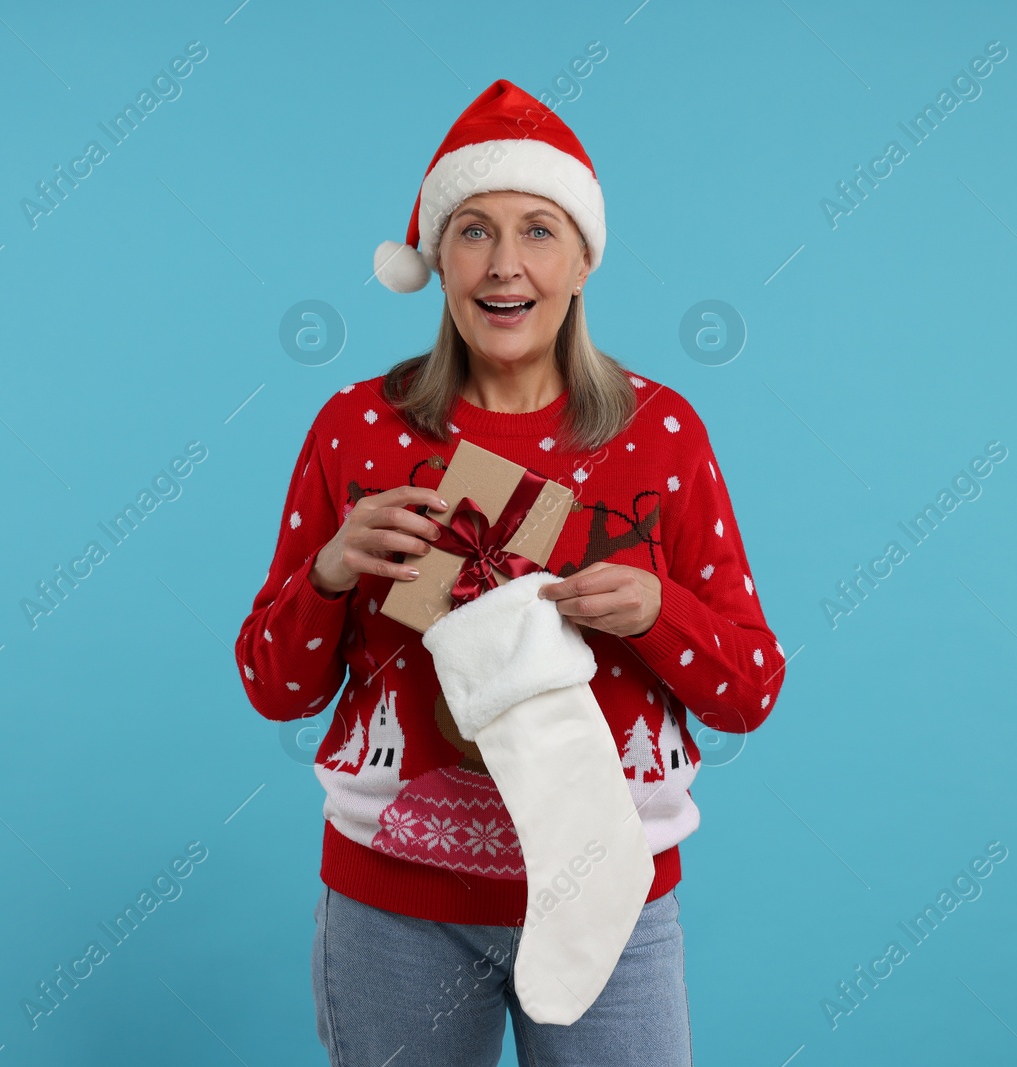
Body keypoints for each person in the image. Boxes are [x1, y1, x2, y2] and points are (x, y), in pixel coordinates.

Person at [235, 79, 783, 1067]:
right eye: (474, 231)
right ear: (438, 260)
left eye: (538, 230)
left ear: (582, 259)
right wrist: (328, 569)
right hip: (393, 901)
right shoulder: (356, 428)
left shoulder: (659, 435)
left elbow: (749, 689)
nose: (504, 264)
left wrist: (657, 610)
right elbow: (274, 687)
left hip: (610, 891)